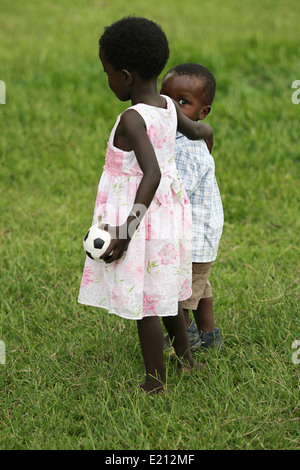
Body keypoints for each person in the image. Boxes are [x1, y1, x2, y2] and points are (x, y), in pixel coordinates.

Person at [78, 17, 213, 394]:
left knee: (146, 304)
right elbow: (198, 131)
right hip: (168, 214)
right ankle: (187, 360)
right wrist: (208, 134)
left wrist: (124, 231)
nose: (107, 80)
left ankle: (156, 382)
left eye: (106, 73)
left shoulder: (132, 119)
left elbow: (149, 174)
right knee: (164, 290)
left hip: (141, 218)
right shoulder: (169, 106)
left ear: (124, 76)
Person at [160, 63, 224, 355]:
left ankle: (182, 341)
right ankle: (209, 334)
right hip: (200, 237)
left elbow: (175, 193)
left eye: (183, 102)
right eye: (165, 98)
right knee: (200, 286)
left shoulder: (187, 148)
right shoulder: (179, 138)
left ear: (203, 112)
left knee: (181, 294)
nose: (171, 108)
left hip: (193, 239)